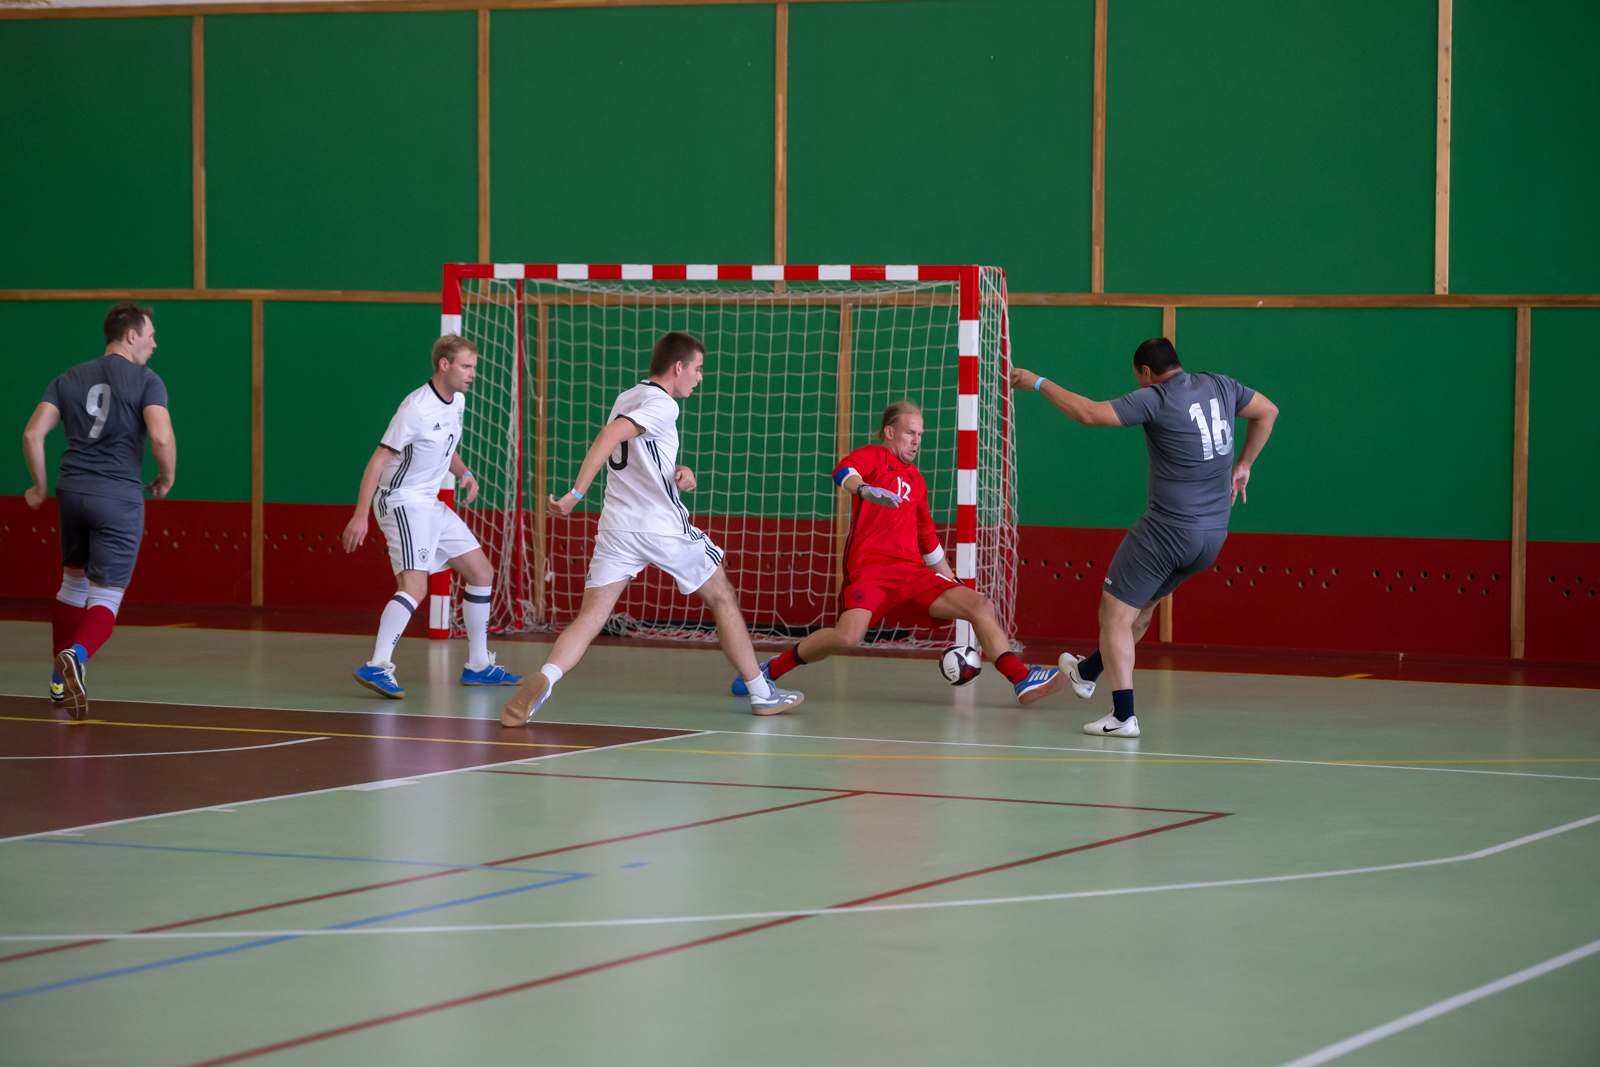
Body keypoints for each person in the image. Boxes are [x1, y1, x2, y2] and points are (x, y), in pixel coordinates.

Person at [500, 331, 803, 726]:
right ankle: (762, 692)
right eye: (697, 369)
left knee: (590, 617)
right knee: (723, 597)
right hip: (660, 527)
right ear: (678, 367)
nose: (700, 377)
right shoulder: (664, 405)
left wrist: (678, 470)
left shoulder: (628, 397)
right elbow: (611, 435)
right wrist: (576, 493)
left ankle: (546, 676)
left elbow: (639, 452)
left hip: (616, 528)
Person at [1011, 337, 1278, 737]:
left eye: (1138, 376)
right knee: (1141, 607)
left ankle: (1123, 716)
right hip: (1211, 537)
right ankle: (1086, 672)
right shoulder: (1220, 385)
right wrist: (1244, 464)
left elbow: (1088, 413)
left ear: (1147, 372)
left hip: (1167, 532)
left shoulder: (1156, 397)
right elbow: (1268, 411)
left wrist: (1037, 382)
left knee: (1114, 615)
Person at [733, 400, 1066, 705]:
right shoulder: (874, 457)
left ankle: (1021, 679)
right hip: (871, 571)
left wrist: (952, 580)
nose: (916, 441)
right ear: (890, 432)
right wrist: (864, 489)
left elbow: (928, 540)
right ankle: (770, 670)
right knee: (847, 637)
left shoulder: (917, 481)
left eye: (920, 435)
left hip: (912, 573)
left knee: (981, 605)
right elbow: (843, 472)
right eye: (910, 433)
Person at [341, 335, 521, 697]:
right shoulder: (415, 409)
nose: (473, 373)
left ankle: (479, 665)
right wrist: (361, 514)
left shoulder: (458, 403)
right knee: (415, 587)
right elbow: (377, 462)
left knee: (481, 572)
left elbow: (445, 447)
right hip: (402, 502)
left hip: (430, 503)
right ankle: (377, 665)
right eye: (467, 366)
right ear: (444, 365)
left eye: (474, 367)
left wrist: (464, 472)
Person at [22, 302, 176, 721]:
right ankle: (76, 656)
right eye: (150, 336)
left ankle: (58, 681)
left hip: (72, 491)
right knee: (106, 595)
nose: (154, 344)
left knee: (72, 584)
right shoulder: (147, 380)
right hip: (118, 497)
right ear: (131, 335)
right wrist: (166, 478)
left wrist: (39, 488)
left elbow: (33, 434)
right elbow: (161, 437)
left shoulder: (69, 377)